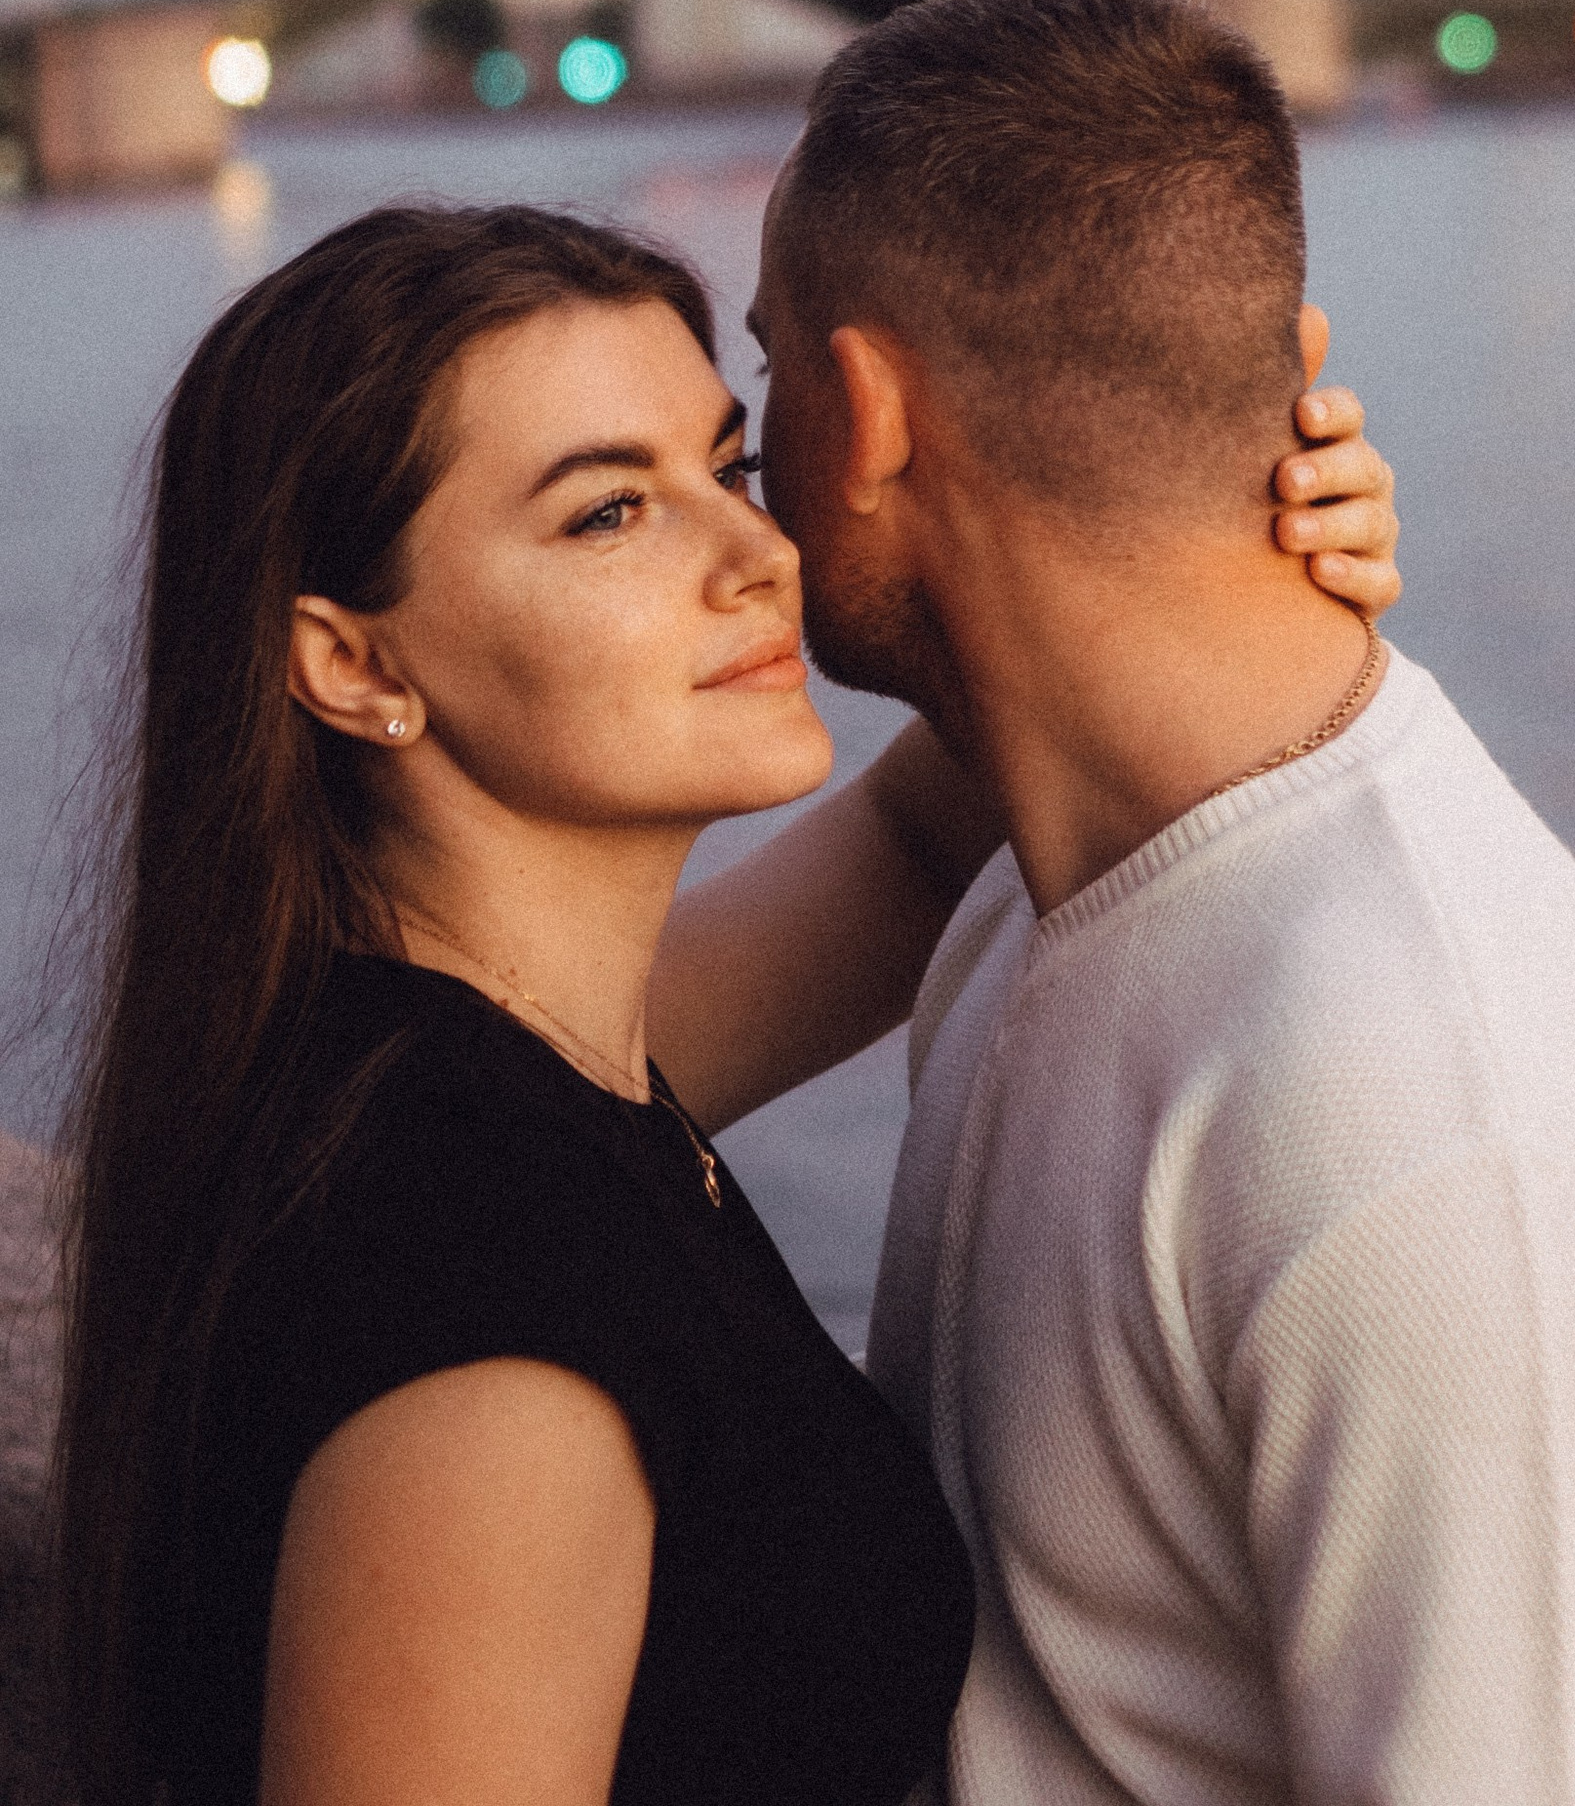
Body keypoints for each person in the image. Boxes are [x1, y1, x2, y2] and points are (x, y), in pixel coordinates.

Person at [55, 193, 1401, 1806]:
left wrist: (1204, 538)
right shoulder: (488, 1321)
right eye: (609, 515)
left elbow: (913, 846)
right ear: (354, 666)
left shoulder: (465, 1065)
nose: (761, 556)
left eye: (731, 467)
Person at [751, 0, 1575, 1806]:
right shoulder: (1028, 904)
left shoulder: (1449, 1140)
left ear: (863, 414)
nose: (743, 462)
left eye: (766, 359)